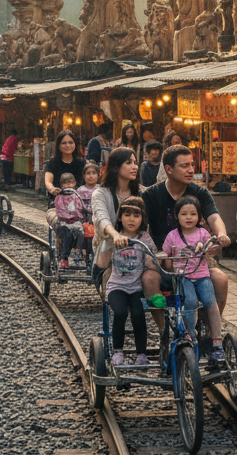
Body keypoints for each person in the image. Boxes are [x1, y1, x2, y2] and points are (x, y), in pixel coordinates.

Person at [141, 145, 231, 321]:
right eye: (184, 166)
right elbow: (141, 229)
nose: (191, 170)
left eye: (191, 165)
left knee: (221, 280)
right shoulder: (151, 195)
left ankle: (208, 327)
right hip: (163, 260)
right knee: (149, 279)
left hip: (195, 259)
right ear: (169, 169)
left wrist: (221, 235)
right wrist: (150, 253)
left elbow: (214, 217)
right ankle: (163, 329)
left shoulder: (200, 193)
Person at [161, 195, 224, 363]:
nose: (188, 218)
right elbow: (165, 254)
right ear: (176, 216)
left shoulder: (202, 233)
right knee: (190, 302)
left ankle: (217, 340)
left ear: (199, 216)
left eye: (193, 214)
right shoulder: (172, 236)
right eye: (184, 214)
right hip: (183, 278)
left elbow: (213, 247)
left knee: (210, 302)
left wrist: (215, 244)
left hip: (202, 276)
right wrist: (161, 257)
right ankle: (190, 334)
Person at [97, 197, 155, 366]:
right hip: (117, 286)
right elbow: (102, 264)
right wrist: (107, 242)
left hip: (137, 286)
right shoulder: (115, 236)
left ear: (142, 219)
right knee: (120, 312)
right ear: (120, 217)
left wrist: (157, 258)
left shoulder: (144, 238)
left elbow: (153, 262)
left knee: (138, 314)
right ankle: (118, 350)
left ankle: (141, 353)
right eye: (127, 215)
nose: (131, 219)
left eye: (136, 215)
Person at [91, 148, 140, 289]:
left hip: (136, 243)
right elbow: (102, 218)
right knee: (107, 245)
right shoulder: (101, 194)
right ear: (116, 167)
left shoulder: (141, 192)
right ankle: (102, 281)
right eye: (128, 162)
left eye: (135, 162)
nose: (134, 167)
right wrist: (115, 235)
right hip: (109, 243)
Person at [53, 173, 86, 269]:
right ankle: (64, 258)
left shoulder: (76, 196)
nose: (68, 185)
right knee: (68, 234)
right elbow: (60, 210)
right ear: (61, 185)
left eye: (70, 182)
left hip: (75, 221)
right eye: (65, 183)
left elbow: (80, 207)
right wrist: (69, 215)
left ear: (74, 183)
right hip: (63, 222)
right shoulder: (59, 197)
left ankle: (80, 251)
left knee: (82, 232)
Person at [43, 129, 87, 197]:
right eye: (64, 143)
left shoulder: (82, 164)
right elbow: (48, 181)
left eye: (70, 142)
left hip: (79, 201)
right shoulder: (52, 163)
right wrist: (52, 189)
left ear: (75, 144)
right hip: (57, 200)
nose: (68, 145)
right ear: (58, 145)